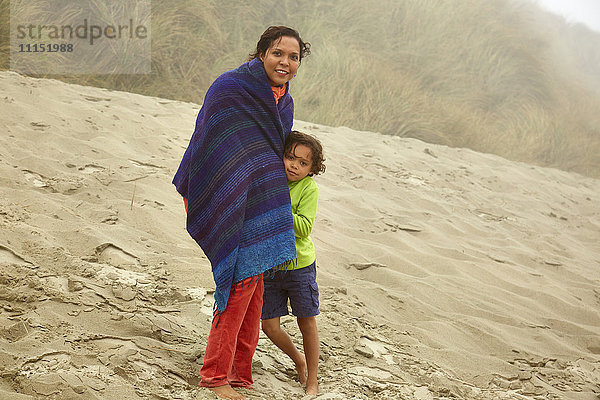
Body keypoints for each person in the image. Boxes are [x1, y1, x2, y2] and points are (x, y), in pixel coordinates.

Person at [172, 27, 310, 400]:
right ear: (262, 52)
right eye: (278, 53)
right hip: (220, 189)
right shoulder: (230, 87)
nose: (285, 62)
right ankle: (215, 376)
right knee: (239, 280)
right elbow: (211, 142)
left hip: (260, 197)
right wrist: (234, 182)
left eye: (293, 57)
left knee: (255, 280)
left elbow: (270, 152)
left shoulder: (285, 102)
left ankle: (240, 373)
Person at [261, 131, 326, 395]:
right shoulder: (272, 180)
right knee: (269, 327)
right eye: (290, 157)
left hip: (299, 266)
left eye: (302, 163)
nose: (294, 165)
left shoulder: (309, 189)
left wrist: (278, 205)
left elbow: (304, 227)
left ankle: (313, 379)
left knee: (306, 322)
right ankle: (297, 359)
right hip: (271, 266)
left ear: (312, 169)